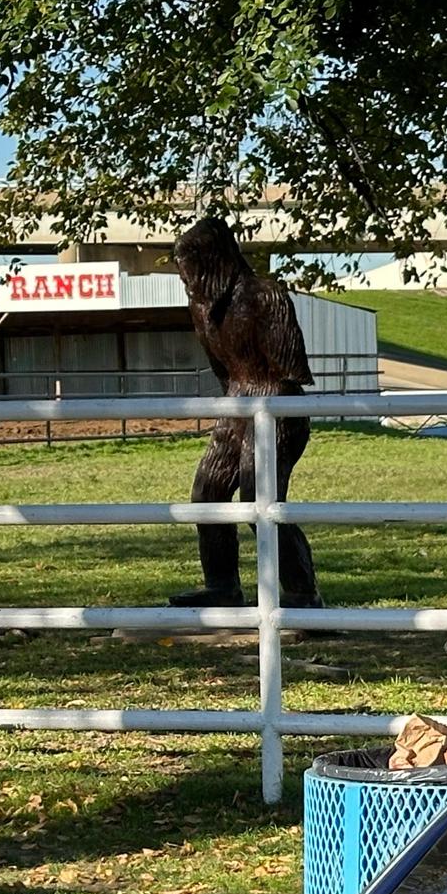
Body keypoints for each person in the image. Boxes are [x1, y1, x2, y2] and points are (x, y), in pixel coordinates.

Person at [167, 216, 324, 610]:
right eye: (185, 277)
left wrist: (263, 399)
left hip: (277, 405)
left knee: (261, 501)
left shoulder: (265, 297)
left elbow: (291, 367)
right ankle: (222, 585)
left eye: (194, 274)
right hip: (236, 404)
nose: (190, 284)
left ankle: (302, 590)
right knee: (207, 494)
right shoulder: (202, 308)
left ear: (217, 262)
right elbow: (223, 372)